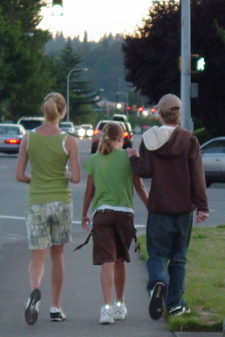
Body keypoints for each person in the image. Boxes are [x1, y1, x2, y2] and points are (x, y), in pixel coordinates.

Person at [126, 93, 209, 320]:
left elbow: (145, 171)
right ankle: (175, 304)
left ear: (160, 114)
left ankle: (157, 284)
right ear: (179, 114)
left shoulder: (149, 138)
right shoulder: (190, 140)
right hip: (184, 209)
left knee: (157, 254)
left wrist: (133, 157)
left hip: (159, 207)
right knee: (179, 258)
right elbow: (197, 176)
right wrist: (202, 207)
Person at [15, 92, 80, 325]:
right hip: (61, 202)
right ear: (62, 112)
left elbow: (20, 175)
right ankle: (55, 307)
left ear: (44, 111)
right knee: (58, 255)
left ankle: (34, 292)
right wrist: (63, 174)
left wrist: (38, 178)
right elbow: (76, 178)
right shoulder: (69, 141)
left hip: (36, 203)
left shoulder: (28, 139)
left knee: (37, 259)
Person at [81, 122, 148, 324]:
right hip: (124, 214)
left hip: (102, 214)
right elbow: (139, 185)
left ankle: (106, 309)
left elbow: (89, 191)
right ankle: (120, 304)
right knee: (120, 259)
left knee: (106, 262)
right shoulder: (128, 158)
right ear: (122, 137)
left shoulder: (93, 160)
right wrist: (151, 206)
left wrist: (84, 213)